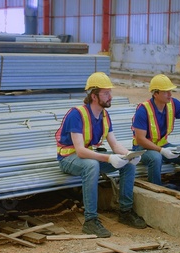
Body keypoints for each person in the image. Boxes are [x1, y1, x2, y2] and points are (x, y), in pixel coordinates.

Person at [55, 72, 147, 238]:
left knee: (127, 164)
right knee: (92, 165)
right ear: (94, 96)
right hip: (69, 159)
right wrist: (109, 158)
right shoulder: (76, 114)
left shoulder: (104, 115)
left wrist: (129, 154)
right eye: (106, 93)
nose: (110, 96)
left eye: (110, 92)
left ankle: (125, 211)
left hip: (87, 157)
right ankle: (90, 221)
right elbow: (81, 151)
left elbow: (114, 144)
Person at [131, 74, 180, 197]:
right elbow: (140, 139)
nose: (170, 95)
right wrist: (162, 150)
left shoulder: (173, 104)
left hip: (164, 145)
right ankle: (156, 194)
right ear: (155, 94)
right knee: (156, 158)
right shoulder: (143, 110)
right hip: (143, 149)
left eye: (170, 91)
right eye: (166, 92)